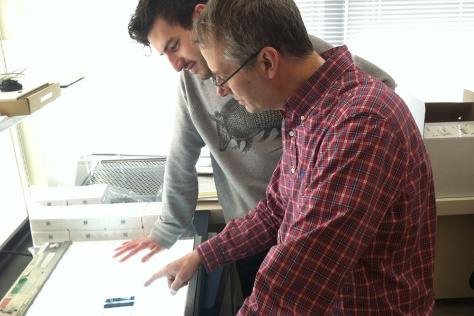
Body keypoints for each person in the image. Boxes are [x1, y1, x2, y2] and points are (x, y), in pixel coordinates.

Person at [143, 0, 437, 314]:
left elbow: (298, 282)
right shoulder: (304, 111)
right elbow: (276, 209)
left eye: (224, 76)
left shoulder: (362, 123)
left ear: (268, 62)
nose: (221, 91)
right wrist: (202, 255)